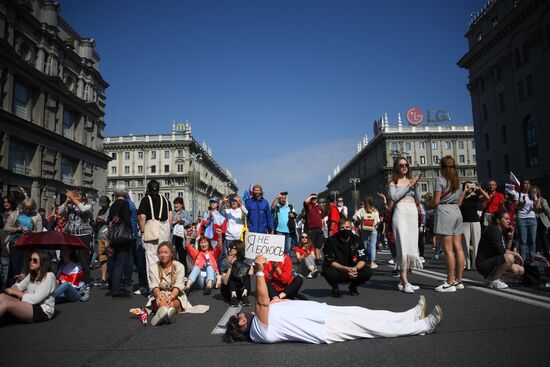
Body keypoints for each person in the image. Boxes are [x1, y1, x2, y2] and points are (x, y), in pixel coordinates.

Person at [223, 255, 443, 344]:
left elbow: (265, 302)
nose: (245, 313)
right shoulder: (257, 332)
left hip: (324, 312)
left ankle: (409, 315)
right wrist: (260, 271)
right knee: (372, 327)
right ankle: (422, 326)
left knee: (368, 314)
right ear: (242, 322)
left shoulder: (261, 320)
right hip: (325, 327)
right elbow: (261, 302)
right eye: (242, 315)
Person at [145, 242, 208, 326]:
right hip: (161, 293)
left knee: (172, 303)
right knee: (162, 300)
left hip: (176, 294)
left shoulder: (180, 266)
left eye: (165, 252)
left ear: (171, 253)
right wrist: (158, 294)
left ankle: (165, 314)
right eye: (160, 253)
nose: (162, 255)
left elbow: (179, 286)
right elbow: (154, 285)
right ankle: (165, 313)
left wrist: (172, 296)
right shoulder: (153, 267)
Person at [388, 157, 422, 294]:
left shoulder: (411, 181)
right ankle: (405, 281)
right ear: (396, 167)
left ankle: (403, 282)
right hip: (400, 213)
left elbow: (418, 200)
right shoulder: (392, 181)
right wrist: (409, 185)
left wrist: (416, 186)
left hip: (412, 213)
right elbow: (394, 197)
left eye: (406, 164)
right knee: (402, 247)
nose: (404, 167)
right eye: (401, 165)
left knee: (411, 248)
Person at [433, 156, 465, 293]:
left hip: (445, 212)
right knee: (458, 248)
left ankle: (449, 282)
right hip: (457, 212)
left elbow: (436, 201)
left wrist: (426, 206)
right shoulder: (458, 181)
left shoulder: (440, 180)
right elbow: (459, 200)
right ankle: (459, 280)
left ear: (442, 167)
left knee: (448, 249)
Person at [0, 251, 56, 323]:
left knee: (6, 303)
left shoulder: (49, 276)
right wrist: (14, 289)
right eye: (30, 259)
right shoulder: (32, 274)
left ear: (43, 262)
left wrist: (16, 292)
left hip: (42, 310)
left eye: (35, 260)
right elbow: (20, 286)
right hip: (29, 304)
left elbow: (35, 299)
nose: (31, 262)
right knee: (2, 296)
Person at [322, 218, 372, 297]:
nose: (345, 229)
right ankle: (335, 287)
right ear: (338, 229)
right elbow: (330, 261)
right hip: (339, 270)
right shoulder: (330, 241)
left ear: (351, 228)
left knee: (367, 271)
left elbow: (362, 259)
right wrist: (345, 268)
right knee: (327, 269)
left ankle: (353, 287)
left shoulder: (357, 240)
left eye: (347, 227)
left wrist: (355, 269)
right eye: (342, 228)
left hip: (353, 270)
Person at [476, 210, 524, 289]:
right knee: (510, 258)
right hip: (484, 263)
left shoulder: (502, 231)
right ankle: (494, 280)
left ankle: (495, 277)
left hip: (495, 261)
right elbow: (501, 250)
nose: (509, 221)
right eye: (506, 219)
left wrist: (510, 238)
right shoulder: (493, 229)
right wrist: (516, 254)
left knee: (519, 270)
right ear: (498, 220)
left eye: (509, 219)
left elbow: (506, 249)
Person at [138, 180, 172, 284]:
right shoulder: (166, 200)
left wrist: (142, 232)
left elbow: (142, 217)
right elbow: (170, 218)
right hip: (165, 231)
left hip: (151, 232)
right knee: (164, 258)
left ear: (148, 188)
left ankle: (154, 287)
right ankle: (165, 283)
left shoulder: (145, 200)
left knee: (151, 260)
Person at [5, 197, 43, 287]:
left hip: (29, 245)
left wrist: (32, 232)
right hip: (15, 243)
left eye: (30, 209)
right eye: (26, 208)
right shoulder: (15, 214)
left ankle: (23, 287)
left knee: (26, 267)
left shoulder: (37, 216)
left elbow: (40, 231)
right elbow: (6, 228)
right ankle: (11, 286)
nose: (27, 210)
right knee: (14, 267)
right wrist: (16, 229)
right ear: (23, 207)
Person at [58, 189, 93, 286]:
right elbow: (60, 212)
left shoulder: (88, 206)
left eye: (77, 196)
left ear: (83, 198)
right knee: (69, 258)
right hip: (71, 236)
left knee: (83, 260)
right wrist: (66, 201)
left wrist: (73, 198)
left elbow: (84, 209)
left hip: (83, 236)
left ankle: (86, 284)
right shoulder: (70, 206)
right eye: (75, 196)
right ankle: (70, 279)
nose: (75, 197)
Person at [106, 184, 135, 297]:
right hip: (122, 237)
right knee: (120, 263)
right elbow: (127, 220)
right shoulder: (125, 204)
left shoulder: (113, 205)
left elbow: (110, 220)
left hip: (113, 236)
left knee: (113, 261)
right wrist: (131, 232)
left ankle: (112, 285)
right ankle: (116, 289)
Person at [220, 240, 253, 307]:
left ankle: (244, 295)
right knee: (232, 273)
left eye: (232, 248)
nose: (230, 249)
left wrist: (237, 263)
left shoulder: (246, 260)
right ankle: (233, 296)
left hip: (243, 288)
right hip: (228, 290)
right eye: (230, 247)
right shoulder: (225, 261)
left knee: (245, 272)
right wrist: (230, 267)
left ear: (239, 249)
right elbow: (225, 282)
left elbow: (251, 272)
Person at [514, 179, 540, 264]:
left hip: (532, 218)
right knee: (523, 240)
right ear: (522, 185)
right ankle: (523, 260)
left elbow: (536, 208)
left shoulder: (533, 195)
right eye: (525, 183)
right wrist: (522, 203)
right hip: (522, 218)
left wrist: (537, 203)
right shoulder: (518, 194)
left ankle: (533, 259)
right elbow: (516, 207)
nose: (527, 185)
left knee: (532, 240)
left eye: (528, 183)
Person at [353, 196, 380, 269]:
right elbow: (378, 221)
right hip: (373, 228)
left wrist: (360, 222)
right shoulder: (375, 210)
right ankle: (372, 261)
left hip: (364, 229)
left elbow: (354, 217)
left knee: (364, 245)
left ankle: (363, 260)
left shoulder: (362, 210)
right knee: (373, 245)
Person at [460, 182, 482, 270]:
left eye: (470, 186)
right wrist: (464, 192)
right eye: (467, 186)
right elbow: (459, 204)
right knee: (465, 243)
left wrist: (479, 189)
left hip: (475, 221)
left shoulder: (475, 196)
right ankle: (466, 264)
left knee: (476, 242)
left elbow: (487, 198)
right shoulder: (462, 196)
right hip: (465, 222)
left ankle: (475, 264)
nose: (469, 188)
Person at [220, 194, 248, 259]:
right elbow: (221, 212)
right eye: (232, 201)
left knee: (239, 256)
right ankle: (229, 269)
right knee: (229, 257)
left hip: (238, 238)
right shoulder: (228, 211)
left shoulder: (241, 210)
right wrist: (223, 203)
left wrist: (240, 203)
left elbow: (247, 213)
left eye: (235, 202)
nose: (234, 203)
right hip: (229, 238)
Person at [93, 196, 110, 288]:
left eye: (104, 204)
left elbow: (112, 222)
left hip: (108, 236)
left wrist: (104, 220)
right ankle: (103, 278)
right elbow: (96, 223)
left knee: (109, 258)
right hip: (100, 236)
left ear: (108, 202)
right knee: (102, 258)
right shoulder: (100, 211)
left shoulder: (110, 210)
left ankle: (108, 277)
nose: (103, 206)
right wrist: (97, 221)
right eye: (101, 204)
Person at [1, 195, 18, 290]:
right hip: (1, 241)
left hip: (8, 243)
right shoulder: (1, 214)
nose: (6, 204)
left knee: (6, 267)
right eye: (4, 202)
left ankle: (7, 288)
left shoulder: (16, 214)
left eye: (8, 202)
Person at [303, 193, 325, 264]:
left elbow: (322, 218)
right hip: (311, 229)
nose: (315, 199)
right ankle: (309, 258)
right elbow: (305, 202)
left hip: (319, 229)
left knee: (318, 246)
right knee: (311, 245)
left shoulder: (319, 207)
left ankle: (317, 259)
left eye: (316, 198)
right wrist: (311, 196)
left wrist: (322, 228)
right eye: (313, 198)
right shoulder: (308, 206)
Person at [171, 197, 192, 265]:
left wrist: (182, 221)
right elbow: (168, 223)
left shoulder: (186, 213)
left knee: (182, 257)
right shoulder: (171, 213)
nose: (175, 205)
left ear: (181, 205)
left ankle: (184, 273)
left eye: (177, 204)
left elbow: (190, 222)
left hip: (182, 238)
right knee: (173, 256)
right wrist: (174, 222)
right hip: (173, 237)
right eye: (175, 204)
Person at [532, 186, 550, 260]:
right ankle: (537, 253)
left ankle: (546, 254)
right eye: (532, 192)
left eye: (535, 191)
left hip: (542, 221)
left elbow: (548, 211)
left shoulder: (543, 200)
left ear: (538, 192)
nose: (533, 193)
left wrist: (541, 202)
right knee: (535, 238)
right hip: (533, 221)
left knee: (544, 237)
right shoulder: (529, 201)